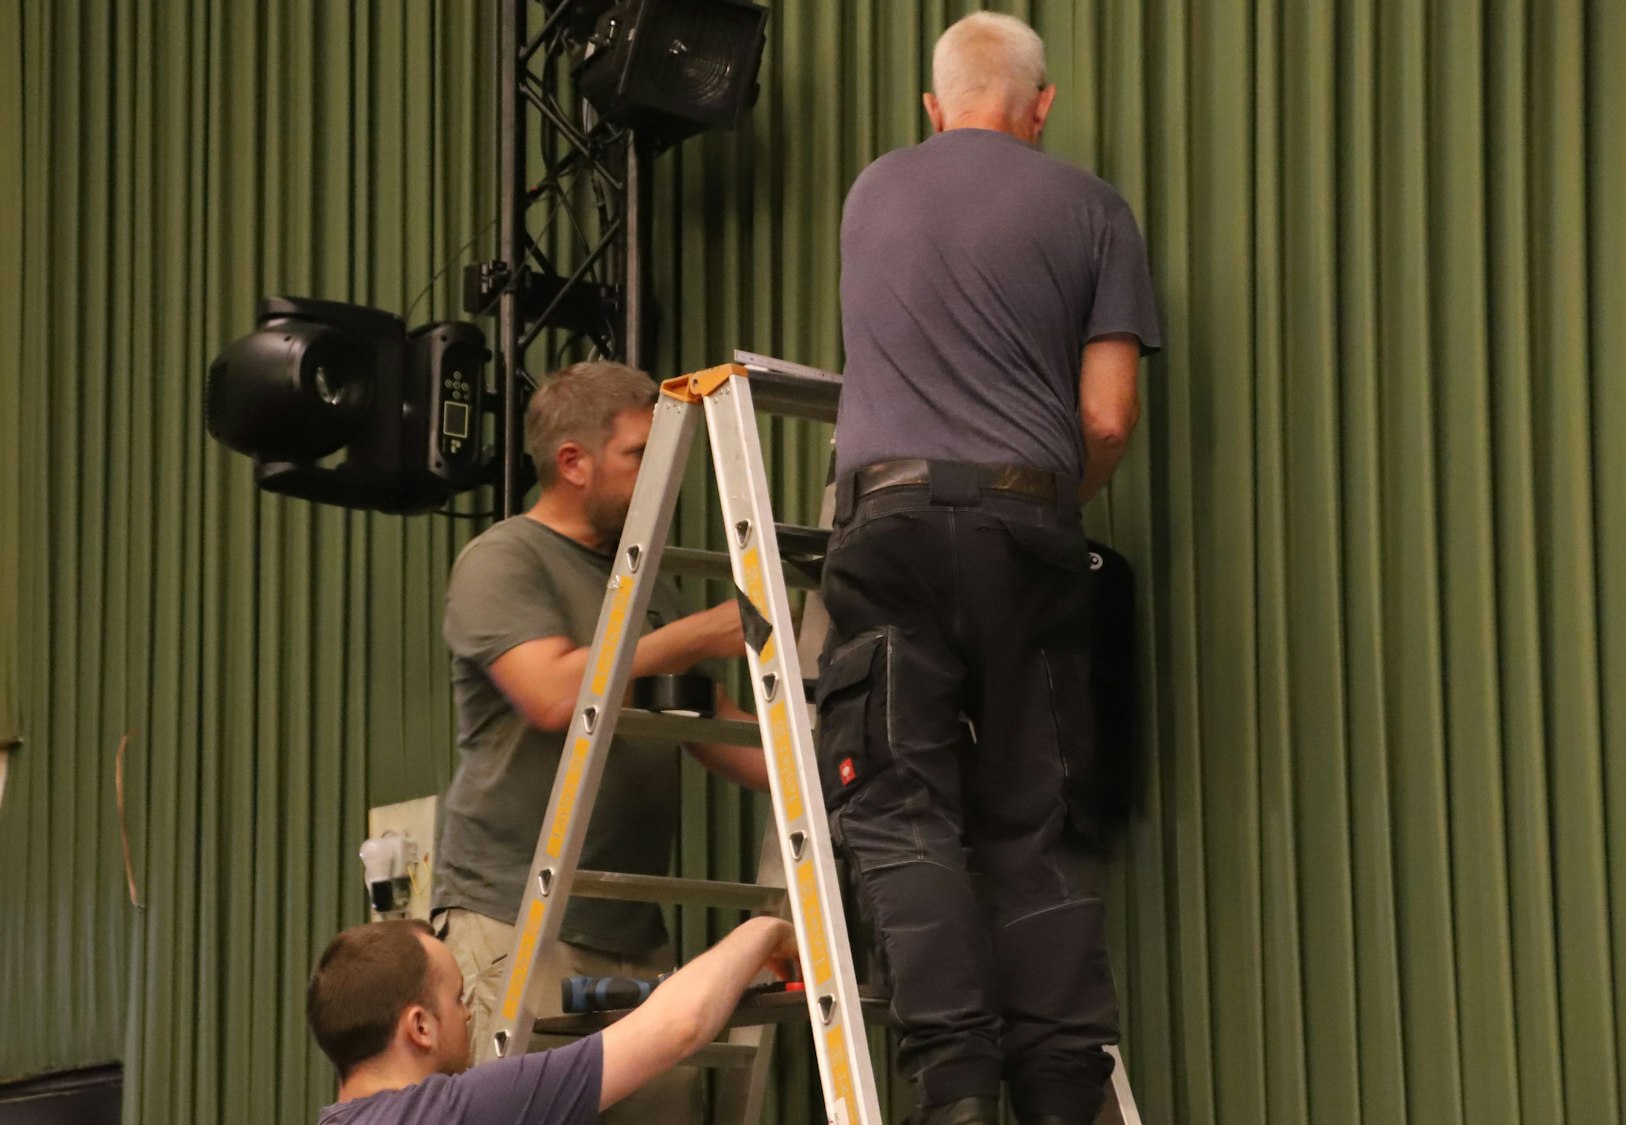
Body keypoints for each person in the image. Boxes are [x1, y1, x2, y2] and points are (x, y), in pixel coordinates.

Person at [820, 12, 1162, 1125]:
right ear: (1040, 104)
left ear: (932, 108)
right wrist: (1049, 502)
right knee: (1034, 819)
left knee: (901, 807)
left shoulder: (871, 193)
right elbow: (1104, 415)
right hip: (1026, 532)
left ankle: (954, 1089)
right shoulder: (1092, 208)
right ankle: (1061, 1089)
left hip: (888, 527)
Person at [433, 361, 769, 1118]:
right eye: (639, 454)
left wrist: (832, 766)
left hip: (630, 931)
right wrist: (696, 633)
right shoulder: (503, 558)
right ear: (573, 463)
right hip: (518, 922)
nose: (662, 472)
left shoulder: (648, 578)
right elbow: (553, 693)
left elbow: (710, 726)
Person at [308, 914, 798, 1125]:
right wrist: (764, 931)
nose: (466, 1013)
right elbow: (681, 1023)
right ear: (420, 1027)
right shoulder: (456, 1112)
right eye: (459, 999)